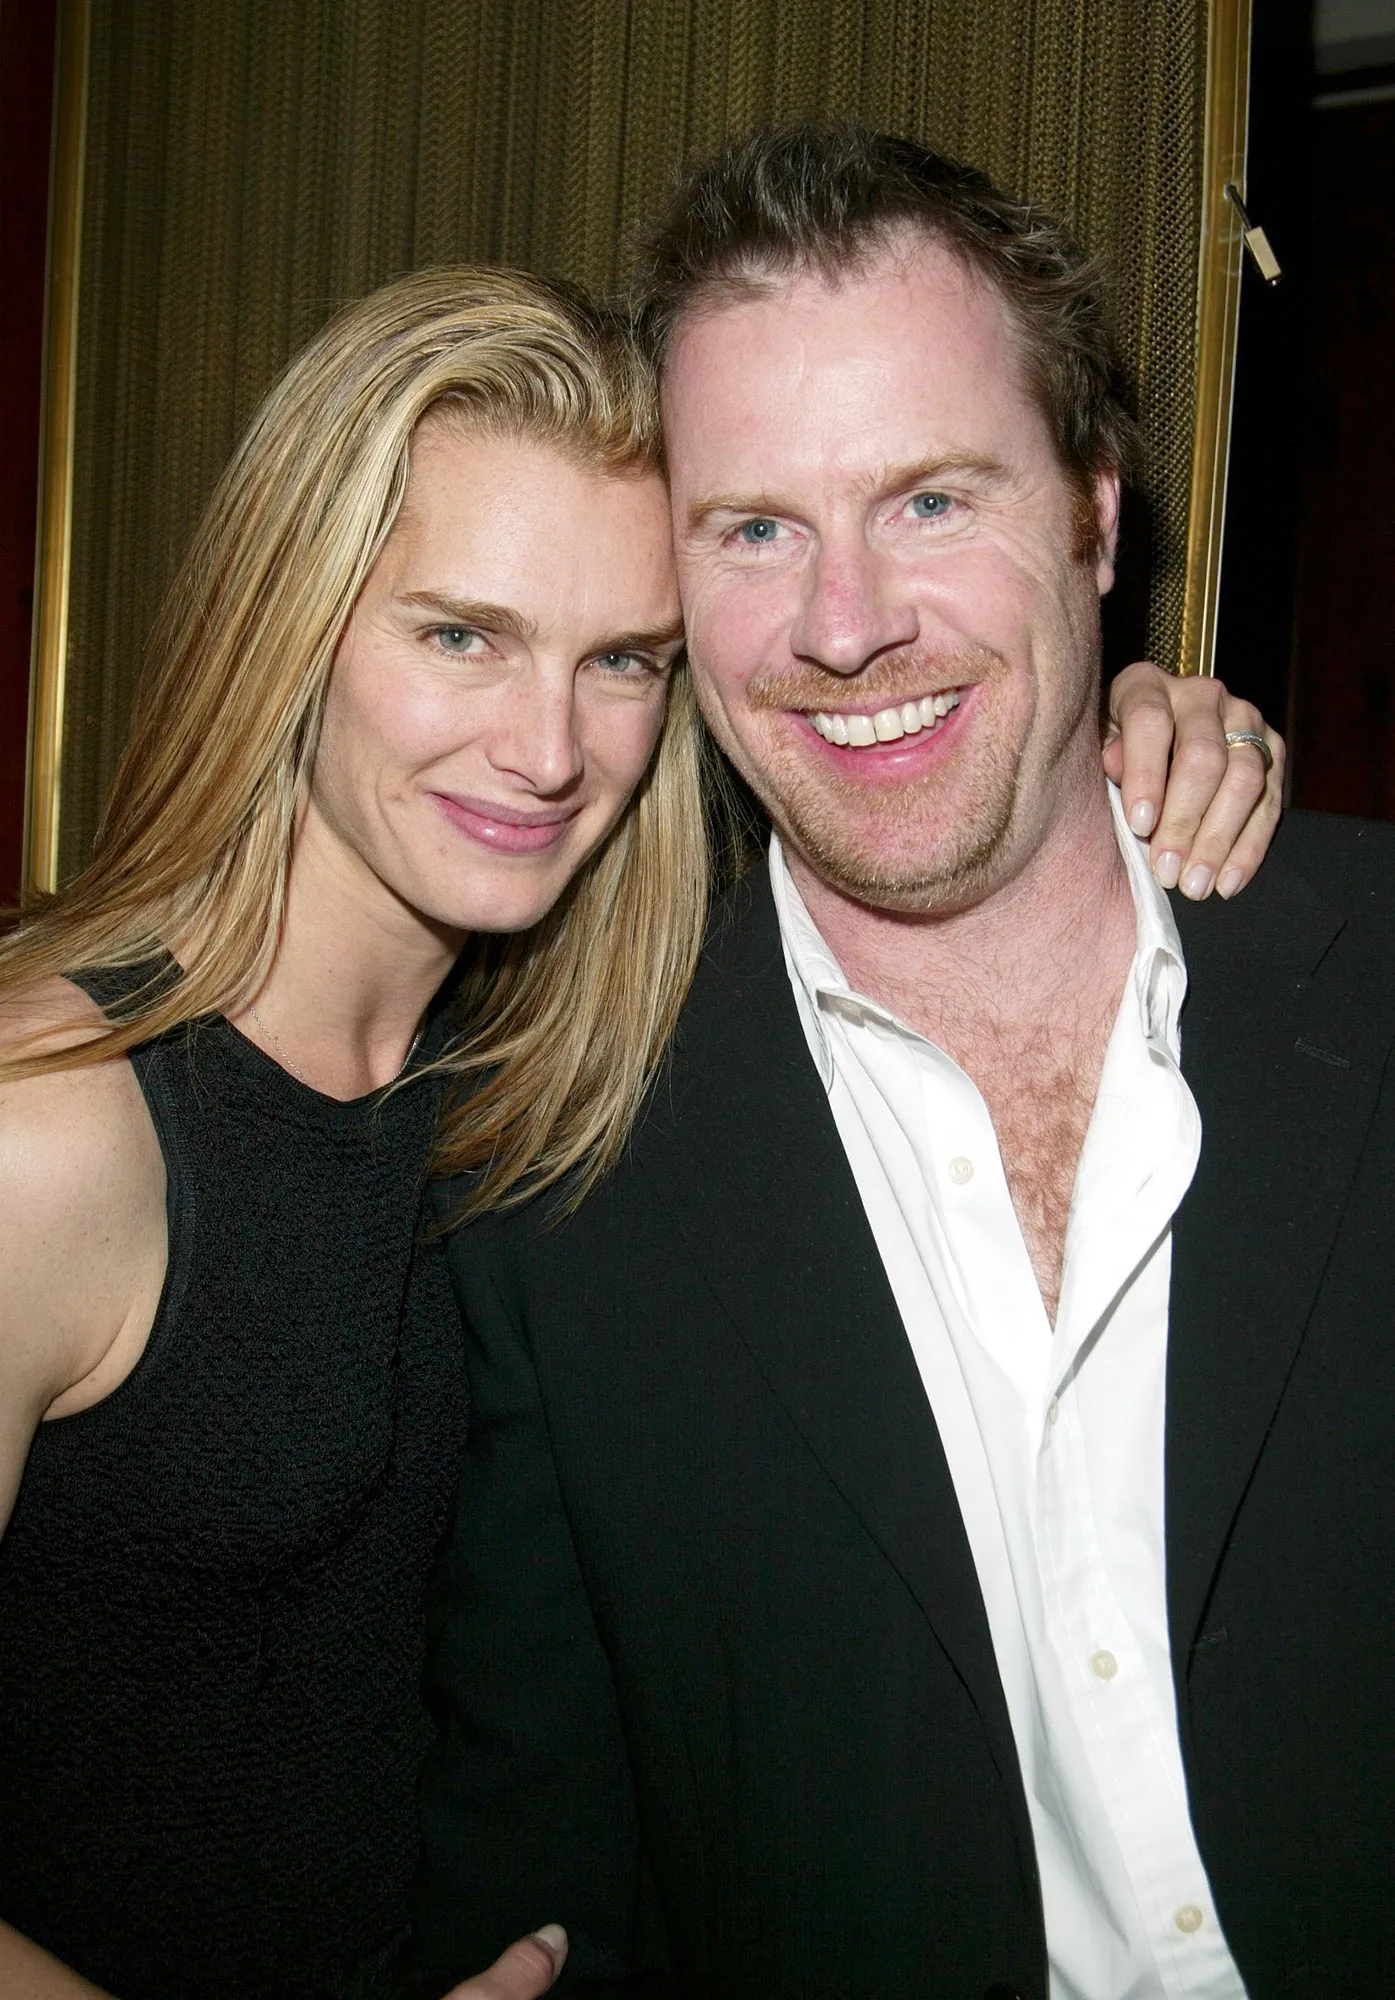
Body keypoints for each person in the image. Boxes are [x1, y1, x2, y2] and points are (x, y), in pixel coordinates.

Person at [418, 129, 1389, 2000]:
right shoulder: (545, 1176)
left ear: (1094, 516)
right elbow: (546, 1872)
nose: (844, 624)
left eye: (931, 500)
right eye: (753, 529)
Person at [0, 266, 705, 2000]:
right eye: (460, 635)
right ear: (291, 622)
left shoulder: (516, 1071)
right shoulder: (51, 1123)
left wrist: (1145, 740)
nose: (549, 750)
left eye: (621, 660)